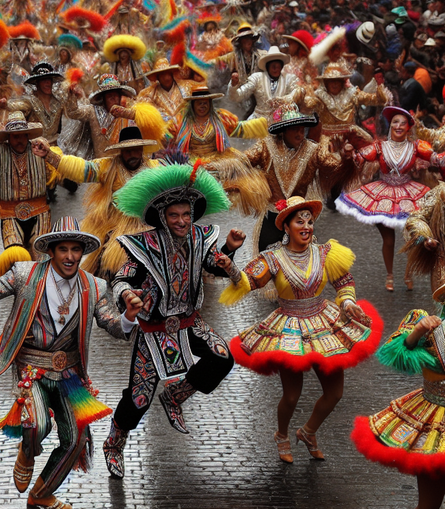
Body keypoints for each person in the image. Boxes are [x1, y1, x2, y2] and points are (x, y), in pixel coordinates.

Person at [0, 217, 139, 509]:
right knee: (38, 425)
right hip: (31, 367)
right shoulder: (25, 274)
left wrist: (127, 316)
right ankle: (27, 450)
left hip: (70, 374)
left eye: (76, 249)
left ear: (82, 252)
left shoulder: (95, 285)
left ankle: (42, 493)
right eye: (63, 249)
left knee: (75, 440)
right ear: (51, 251)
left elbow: (112, 325)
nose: (70, 256)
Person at [102, 162, 242, 478]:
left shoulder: (200, 238)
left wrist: (229, 250)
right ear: (163, 217)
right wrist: (127, 296)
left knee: (222, 358)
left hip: (189, 322)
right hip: (153, 329)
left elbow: (215, 265)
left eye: (186, 215)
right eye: (174, 215)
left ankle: (175, 396)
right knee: (138, 399)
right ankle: (114, 442)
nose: (181, 221)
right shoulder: (145, 245)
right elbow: (121, 279)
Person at [220, 196, 382, 464]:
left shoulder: (326, 252)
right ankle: (281, 434)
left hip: (324, 323)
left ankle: (308, 432)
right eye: (299, 221)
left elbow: (344, 280)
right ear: (286, 227)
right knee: (292, 395)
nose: (306, 226)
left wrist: (349, 301)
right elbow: (248, 281)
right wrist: (230, 267)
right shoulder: (272, 258)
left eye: (310, 220)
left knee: (335, 393)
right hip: (290, 328)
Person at [352, 303, 445, 509]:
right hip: (432, 419)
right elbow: (394, 352)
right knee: (428, 507)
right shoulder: (426, 321)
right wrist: (418, 331)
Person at [33, 125, 160, 280]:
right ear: (120, 151)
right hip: (116, 229)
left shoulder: (157, 169)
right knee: (107, 268)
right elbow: (82, 169)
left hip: (150, 226)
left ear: (142, 149)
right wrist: (50, 156)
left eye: (136, 149)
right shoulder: (107, 167)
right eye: (127, 151)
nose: (132, 154)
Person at [337, 106, 438, 291]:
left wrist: (439, 159)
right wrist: (348, 153)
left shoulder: (416, 146)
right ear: (390, 126)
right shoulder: (380, 146)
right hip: (382, 194)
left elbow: (434, 158)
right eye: (395, 122)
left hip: (410, 194)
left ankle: (408, 273)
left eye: (403, 123)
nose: (398, 126)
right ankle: (390, 274)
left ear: (408, 127)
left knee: (413, 236)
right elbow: (359, 159)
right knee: (389, 240)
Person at [245, 100, 355, 253]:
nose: (299, 133)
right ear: (283, 131)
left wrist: (345, 157)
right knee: (265, 265)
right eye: (294, 129)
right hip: (272, 217)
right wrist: (216, 164)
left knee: (303, 266)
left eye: (302, 129)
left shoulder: (314, 150)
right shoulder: (265, 147)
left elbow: (333, 165)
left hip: (299, 221)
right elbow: (243, 161)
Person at [171, 87, 270, 216]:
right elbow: (167, 137)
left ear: (210, 103)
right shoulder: (182, 123)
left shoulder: (221, 119)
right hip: (192, 159)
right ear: (193, 104)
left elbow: (239, 129)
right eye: (199, 103)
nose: (203, 105)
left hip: (218, 157)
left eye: (205, 102)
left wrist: (264, 124)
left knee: (238, 167)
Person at [0, 111, 55, 264]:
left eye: (22, 136)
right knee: (16, 258)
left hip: (40, 212)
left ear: (27, 136)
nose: (19, 140)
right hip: (9, 213)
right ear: (8, 138)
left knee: (42, 255)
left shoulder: (40, 148)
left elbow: (57, 168)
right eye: (15, 136)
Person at [228, 46, 304, 121]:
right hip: (258, 122)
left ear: (281, 67)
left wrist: (285, 100)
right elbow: (236, 97)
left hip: (281, 122)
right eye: (272, 65)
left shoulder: (289, 79)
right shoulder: (257, 78)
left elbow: (299, 91)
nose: (275, 68)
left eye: (278, 65)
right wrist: (234, 85)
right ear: (267, 66)